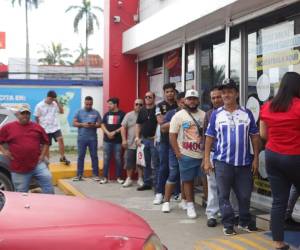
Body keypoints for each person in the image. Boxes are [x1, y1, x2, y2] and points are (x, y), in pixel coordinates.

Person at [204, 79, 260, 236]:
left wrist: (256, 158)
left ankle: (244, 222)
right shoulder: (216, 114)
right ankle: (228, 224)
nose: (226, 95)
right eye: (223, 92)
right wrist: (207, 159)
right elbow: (209, 137)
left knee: (244, 195)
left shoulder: (246, 113)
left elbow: (255, 137)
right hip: (223, 163)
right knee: (223, 195)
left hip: (244, 163)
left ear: (236, 93)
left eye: (229, 91)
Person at [260, 72, 300, 250]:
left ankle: (278, 243)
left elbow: (263, 135)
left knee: (278, 201)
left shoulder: (268, 106)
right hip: (295, 157)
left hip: (272, 156)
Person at [203, 87, 239, 227]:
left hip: (233, 156)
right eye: (214, 98)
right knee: (213, 186)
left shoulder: (237, 112)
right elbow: (205, 137)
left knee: (233, 187)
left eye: (219, 96)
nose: (217, 100)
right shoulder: (209, 114)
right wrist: (205, 159)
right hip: (213, 154)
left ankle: (234, 214)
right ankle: (212, 214)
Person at [0, 106, 54, 194]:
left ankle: (51, 203)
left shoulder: (37, 127)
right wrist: (4, 151)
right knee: (21, 194)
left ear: (30, 115)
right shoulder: (8, 127)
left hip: (37, 165)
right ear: (18, 115)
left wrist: (42, 155)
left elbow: (46, 142)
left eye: (27, 113)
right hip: (19, 169)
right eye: (23, 113)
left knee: (47, 179)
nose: (25, 115)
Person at [169, 89, 205, 218]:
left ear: (198, 101)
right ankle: (190, 205)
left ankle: (208, 205)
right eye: (189, 99)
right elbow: (172, 135)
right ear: (184, 101)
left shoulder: (204, 115)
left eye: (194, 99)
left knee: (205, 180)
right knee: (188, 180)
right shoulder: (178, 116)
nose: (192, 101)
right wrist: (177, 152)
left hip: (202, 155)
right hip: (186, 154)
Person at [161, 91, 186, 213]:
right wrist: (176, 122)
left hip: (189, 149)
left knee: (186, 176)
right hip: (174, 148)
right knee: (173, 174)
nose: (185, 104)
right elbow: (163, 127)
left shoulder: (194, 113)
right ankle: (166, 201)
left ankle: (184, 200)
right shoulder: (172, 113)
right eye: (182, 102)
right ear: (178, 102)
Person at [154, 83, 178, 205]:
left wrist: (167, 120)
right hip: (164, 141)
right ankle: (159, 193)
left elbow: (165, 121)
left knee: (176, 168)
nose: (170, 94)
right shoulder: (159, 105)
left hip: (177, 140)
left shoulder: (178, 104)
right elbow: (160, 121)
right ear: (164, 93)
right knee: (163, 167)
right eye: (167, 92)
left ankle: (176, 193)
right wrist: (175, 120)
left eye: (172, 91)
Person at [34, 90, 70, 165]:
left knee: (61, 140)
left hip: (55, 127)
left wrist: (57, 102)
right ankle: (47, 161)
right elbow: (36, 117)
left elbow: (62, 111)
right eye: (51, 99)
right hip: (45, 128)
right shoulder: (39, 105)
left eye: (53, 100)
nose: (51, 101)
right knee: (47, 146)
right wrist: (38, 128)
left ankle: (62, 157)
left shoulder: (54, 104)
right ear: (47, 97)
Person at [73, 96, 102, 181]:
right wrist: (82, 124)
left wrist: (94, 125)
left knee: (94, 156)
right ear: (84, 103)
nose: (89, 105)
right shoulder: (79, 112)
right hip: (82, 138)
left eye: (90, 104)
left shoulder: (96, 112)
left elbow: (100, 124)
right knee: (81, 156)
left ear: (92, 103)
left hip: (93, 139)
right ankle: (79, 175)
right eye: (87, 104)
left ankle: (95, 175)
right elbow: (74, 123)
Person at [135, 91, 159, 191]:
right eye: (146, 97)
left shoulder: (157, 109)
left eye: (150, 97)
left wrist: (156, 136)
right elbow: (138, 124)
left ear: (154, 98)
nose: (147, 99)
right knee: (146, 163)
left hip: (154, 140)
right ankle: (147, 183)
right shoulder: (142, 110)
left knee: (156, 163)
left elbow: (159, 123)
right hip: (144, 140)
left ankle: (157, 184)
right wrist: (137, 137)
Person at [100, 97, 125, 184]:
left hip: (118, 141)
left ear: (115, 104)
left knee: (118, 159)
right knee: (106, 158)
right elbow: (102, 124)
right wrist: (107, 133)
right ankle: (104, 177)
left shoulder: (122, 114)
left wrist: (114, 132)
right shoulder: (107, 114)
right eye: (108, 104)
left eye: (110, 104)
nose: (108, 105)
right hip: (107, 141)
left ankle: (119, 177)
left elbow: (123, 126)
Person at [121, 98, 144, 187]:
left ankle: (140, 179)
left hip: (142, 144)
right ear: (134, 105)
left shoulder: (145, 115)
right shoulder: (128, 115)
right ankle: (129, 179)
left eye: (140, 104)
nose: (138, 106)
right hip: (130, 144)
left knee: (141, 163)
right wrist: (124, 140)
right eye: (136, 104)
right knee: (129, 162)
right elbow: (123, 127)